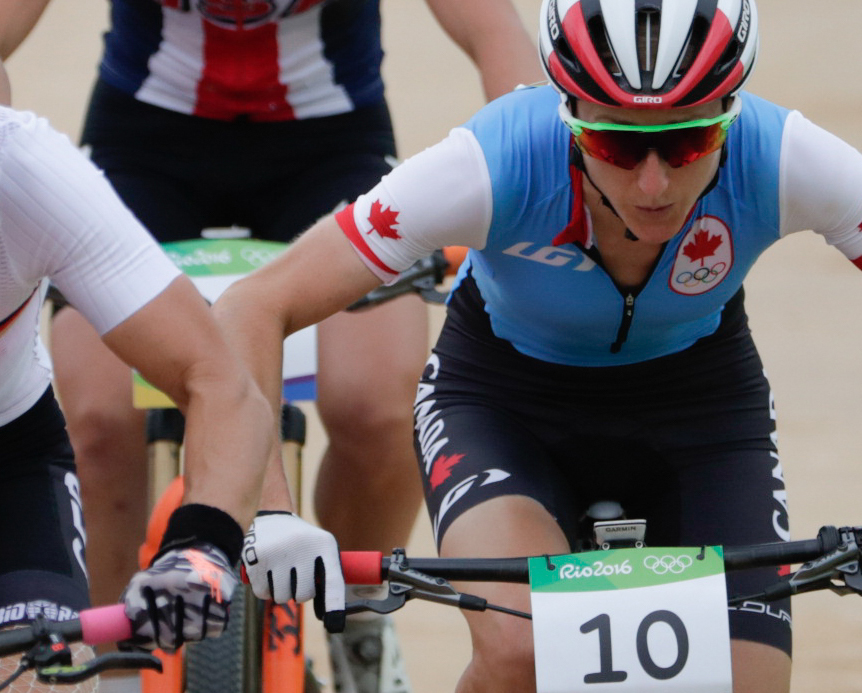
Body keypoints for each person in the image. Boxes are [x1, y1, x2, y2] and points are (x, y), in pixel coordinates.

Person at [217, 0, 862, 690]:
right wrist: (273, 512)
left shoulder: (782, 155)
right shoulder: (493, 161)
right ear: (569, 115)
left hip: (700, 408)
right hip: (501, 401)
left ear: (731, 114)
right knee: (524, 652)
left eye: (686, 142)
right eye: (615, 143)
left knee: (748, 679)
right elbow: (256, 305)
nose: (652, 182)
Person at [2, 2, 541, 691]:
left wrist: (539, 182)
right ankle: (122, 665)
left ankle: (362, 624)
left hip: (329, 142)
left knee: (376, 405)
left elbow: (494, 33)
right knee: (100, 420)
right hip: (145, 142)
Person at [0, 59, 276, 692]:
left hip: (9, 464)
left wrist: (200, 546)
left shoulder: (28, 174)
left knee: (34, 683)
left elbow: (218, 381)